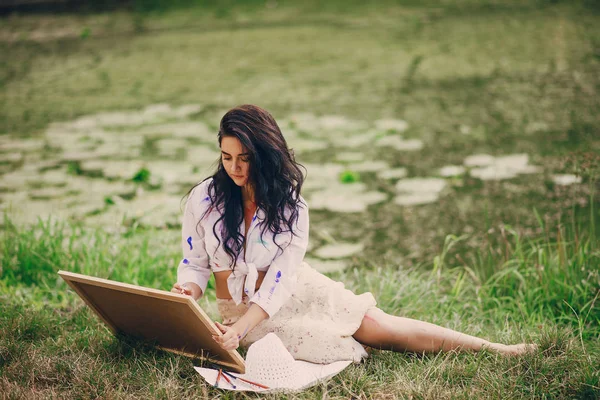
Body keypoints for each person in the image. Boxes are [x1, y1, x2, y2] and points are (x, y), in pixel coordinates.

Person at [172, 104, 534, 362]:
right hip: (241, 316)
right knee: (324, 341)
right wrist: (187, 290)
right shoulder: (205, 199)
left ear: (264, 155)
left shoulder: (291, 207)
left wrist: (242, 327)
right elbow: (195, 263)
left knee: (375, 326)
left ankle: (500, 350)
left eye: (244, 158)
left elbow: (281, 281)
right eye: (226, 156)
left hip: (288, 293)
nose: (234, 167)